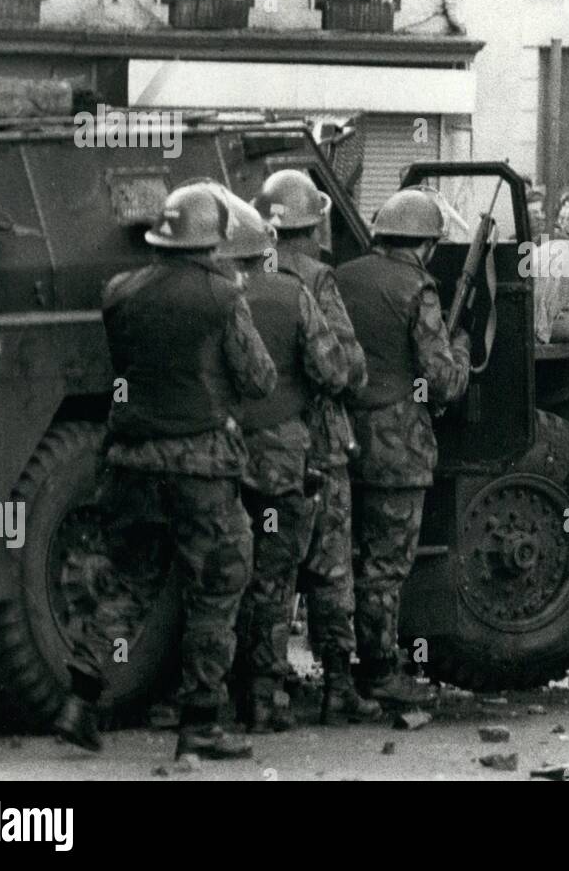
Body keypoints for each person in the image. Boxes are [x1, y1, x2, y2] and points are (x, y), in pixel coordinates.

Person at [54, 182, 277, 761]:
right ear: (214, 238)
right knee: (218, 584)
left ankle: (80, 701)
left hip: (129, 463)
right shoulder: (224, 297)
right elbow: (258, 379)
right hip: (200, 467)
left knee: (125, 584)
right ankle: (199, 722)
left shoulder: (119, 293)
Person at [214, 188, 356, 733]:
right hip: (287, 455)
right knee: (291, 572)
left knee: (233, 576)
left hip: (223, 455)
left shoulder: (213, 297)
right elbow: (335, 371)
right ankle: (282, 693)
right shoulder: (297, 291)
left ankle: (227, 691)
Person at [335, 188, 471, 706]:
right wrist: (461, 348)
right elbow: (440, 382)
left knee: (333, 565)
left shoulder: (341, 277)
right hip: (396, 448)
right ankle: (379, 672)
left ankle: (332, 678)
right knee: (384, 568)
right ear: (428, 245)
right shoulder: (420, 289)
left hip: (339, 443)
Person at [252, 169, 377, 726]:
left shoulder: (245, 272)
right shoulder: (317, 278)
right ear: (316, 220)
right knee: (330, 567)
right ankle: (337, 686)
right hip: (319, 447)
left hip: (259, 445)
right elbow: (347, 370)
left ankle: (261, 688)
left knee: (268, 570)